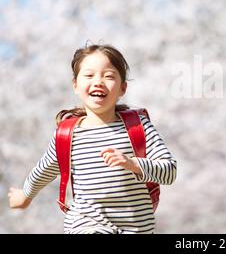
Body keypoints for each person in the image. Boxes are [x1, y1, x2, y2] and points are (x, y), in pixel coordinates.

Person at [8, 43, 177, 234]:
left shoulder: (138, 127)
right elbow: (44, 170)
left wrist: (133, 164)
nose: (98, 81)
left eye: (109, 76)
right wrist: (25, 195)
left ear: (122, 88)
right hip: (86, 224)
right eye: (89, 75)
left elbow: (170, 172)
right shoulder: (67, 136)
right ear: (75, 85)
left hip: (136, 227)